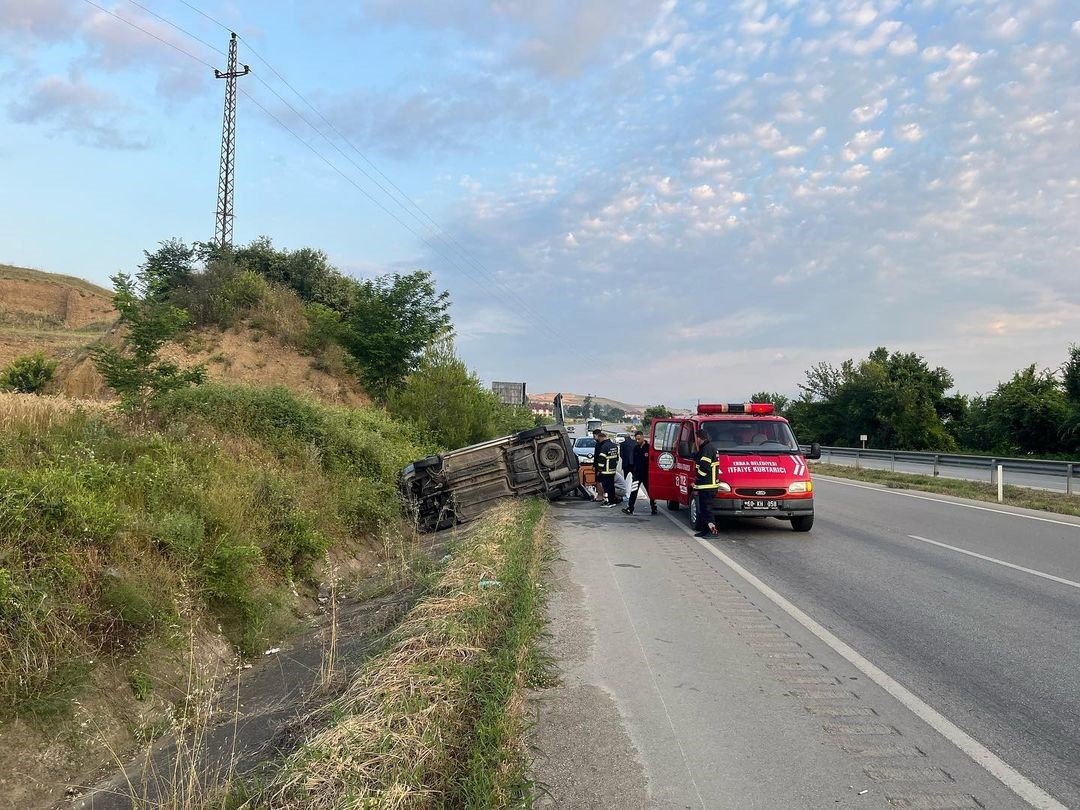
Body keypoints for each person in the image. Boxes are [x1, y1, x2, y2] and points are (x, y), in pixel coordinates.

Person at [692, 428, 721, 537]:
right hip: (706, 486)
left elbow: (704, 468)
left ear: (700, 438)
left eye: (697, 438)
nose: (696, 440)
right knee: (704, 510)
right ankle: (706, 530)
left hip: (707, 486)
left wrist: (697, 479)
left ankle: (712, 532)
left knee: (707, 511)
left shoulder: (707, 449)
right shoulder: (707, 448)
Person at [623, 430, 657, 515]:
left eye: (639, 439)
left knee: (651, 492)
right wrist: (633, 471)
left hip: (646, 474)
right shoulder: (636, 448)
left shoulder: (649, 448)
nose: (637, 441)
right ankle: (630, 508)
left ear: (642, 438)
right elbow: (633, 461)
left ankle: (654, 508)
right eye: (636, 439)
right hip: (637, 474)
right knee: (633, 492)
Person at [595, 431, 620, 507]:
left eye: (599, 439)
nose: (599, 441)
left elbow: (601, 460)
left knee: (607, 487)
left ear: (601, 438)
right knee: (611, 486)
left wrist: (599, 470)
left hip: (605, 471)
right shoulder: (614, 445)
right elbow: (617, 458)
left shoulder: (604, 446)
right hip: (612, 470)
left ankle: (609, 501)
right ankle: (612, 500)